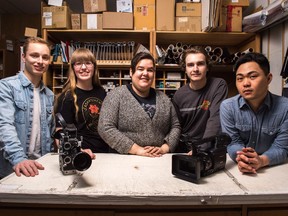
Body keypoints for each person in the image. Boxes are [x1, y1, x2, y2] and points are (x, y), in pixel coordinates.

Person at [98, 52, 181, 157]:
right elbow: (105, 128)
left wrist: (164, 148)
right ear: (131, 72)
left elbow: (175, 126)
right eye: (140, 69)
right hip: (123, 161)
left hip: (158, 159)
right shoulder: (116, 95)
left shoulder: (164, 99)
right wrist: (136, 150)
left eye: (150, 70)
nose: (145, 73)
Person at [220, 52, 288, 174]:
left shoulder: (285, 108)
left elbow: (282, 147)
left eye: (252, 76)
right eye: (240, 78)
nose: (245, 83)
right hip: (239, 168)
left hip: (275, 169)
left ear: (268, 79)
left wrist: (261, 161)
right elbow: (233, 143)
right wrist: (243, 159)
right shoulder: (228, 107)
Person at [0, 37, 54, 178]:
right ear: (24, 57)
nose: (40, 61)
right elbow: (4, 125)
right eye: (34, 55)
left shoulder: (49, 94)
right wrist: (19, 158)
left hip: (41, 166)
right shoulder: (6, 87)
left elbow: (51, 132)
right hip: (14, 167)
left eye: (45, 57)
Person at [172, 46, 228, 153]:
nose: (195, 69)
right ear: (185, 69)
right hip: (184, 147)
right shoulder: (179, 95)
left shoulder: (218, 85)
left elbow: (215, 119)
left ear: (207, 67)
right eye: (190, 65)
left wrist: (200, 149)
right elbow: (176, 126)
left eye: (200, 64)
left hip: (207, 145)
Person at [54, 48, 109, 153]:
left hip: (104, 152)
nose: (84, 68)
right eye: (78, 63)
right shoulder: (67, 97)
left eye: (88, 63)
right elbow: (60, 134)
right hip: (81, 155)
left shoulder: (102, 92)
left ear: (94, 67)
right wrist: (77, 151)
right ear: (73, 68)